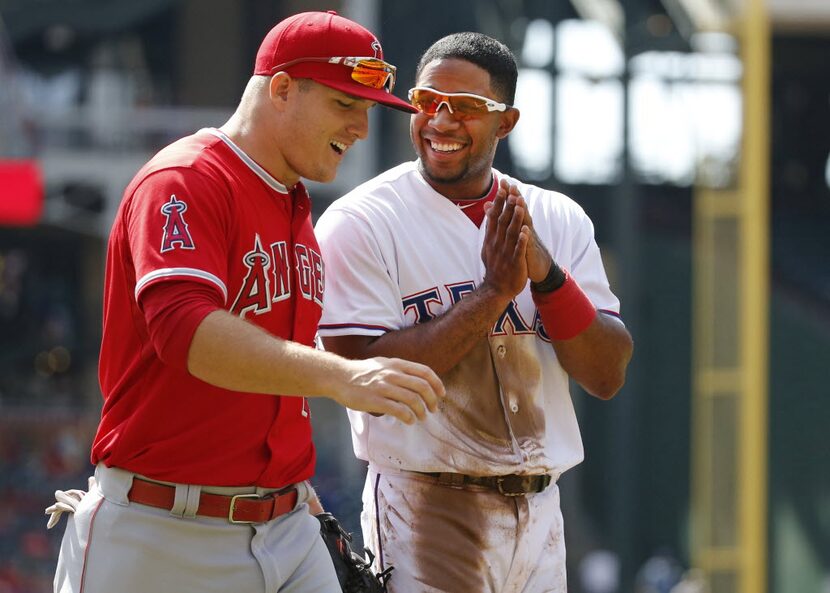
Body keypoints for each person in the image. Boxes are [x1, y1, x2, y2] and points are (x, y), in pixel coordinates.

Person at [49, 11, 444, 593]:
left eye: (368, 109)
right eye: (345, 104)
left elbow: (273, 371)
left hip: (288, 527)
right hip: (164, 532)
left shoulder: (296, 207)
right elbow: (185, 330)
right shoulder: (186, 179)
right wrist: (343, 376)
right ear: (282, 88)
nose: (361, 126)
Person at [315, 32, 634, 593]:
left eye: (464, 107)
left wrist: (549, 278)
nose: (440, 120)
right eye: (426, 101)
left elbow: (606, 374)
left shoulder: (556, 218)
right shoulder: (361, 221)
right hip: (425, 505)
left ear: (505, 123)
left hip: (541, 511)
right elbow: (359, 377)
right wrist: (491, 294)